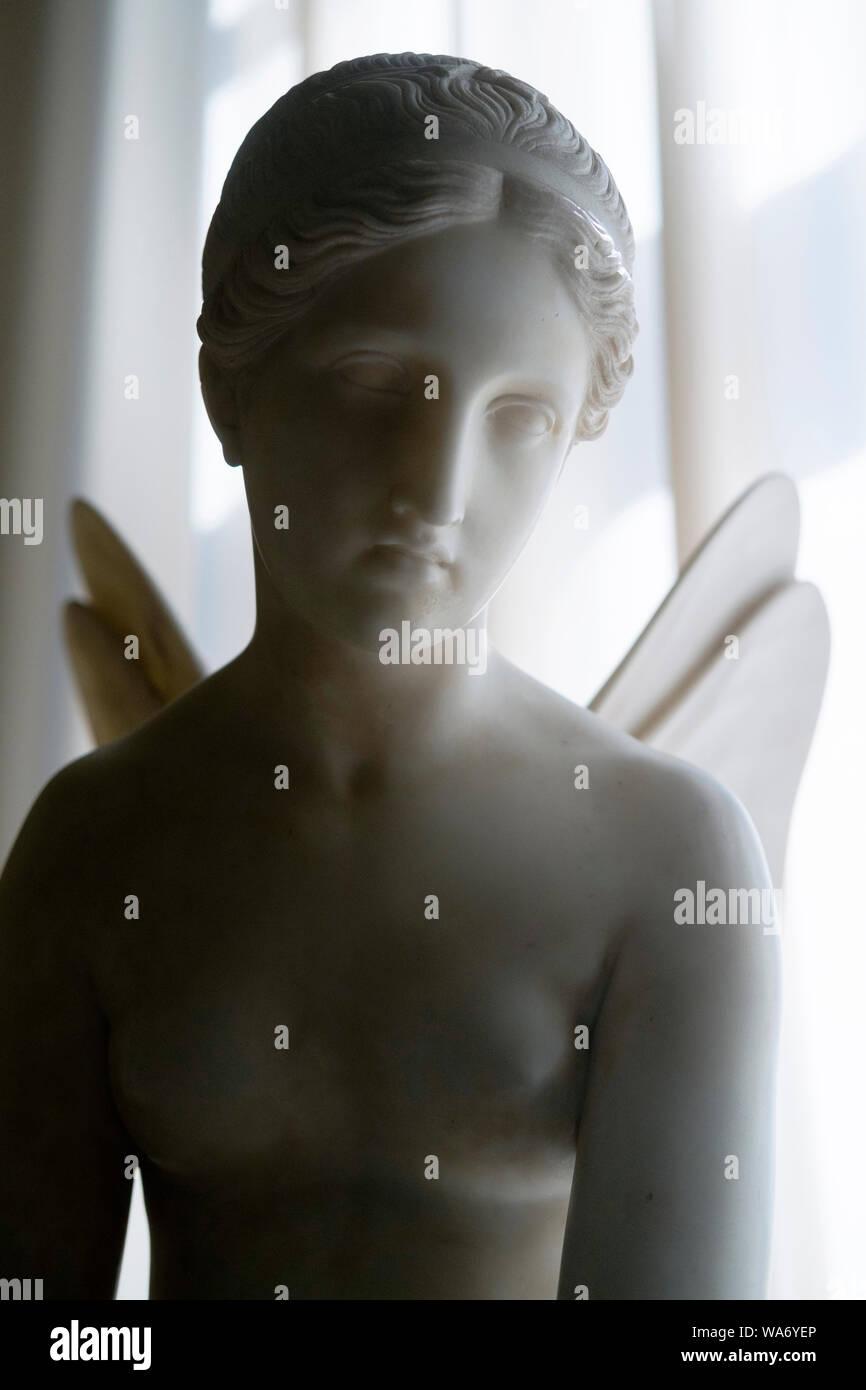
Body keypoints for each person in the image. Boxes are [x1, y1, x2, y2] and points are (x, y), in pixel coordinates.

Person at [0, 53, 779, 1300]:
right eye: (374, 386)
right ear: (227, 389)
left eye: (519, 415)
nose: (438, 488)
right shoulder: (92, 850)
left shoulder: (665, 853)